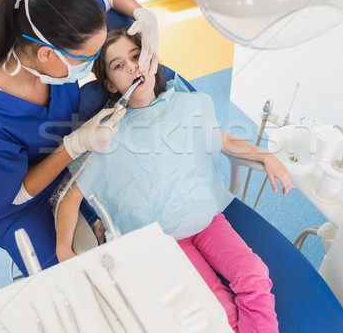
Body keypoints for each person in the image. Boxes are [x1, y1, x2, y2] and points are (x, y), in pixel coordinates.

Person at [54, 30, 292, 332]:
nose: (131, 67)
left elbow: (225, 140)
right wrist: (64, 250)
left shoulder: (184, 106)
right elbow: (70, 196)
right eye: (118, 65)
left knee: (255, 275)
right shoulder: (108, 132)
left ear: (151, 60)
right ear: (110, 85)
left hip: (205, 217)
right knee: (215, 308)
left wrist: (266, 156)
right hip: (163, 237)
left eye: (136, 56)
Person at [0, 0, 159, 276]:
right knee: (76, 280)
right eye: (87, 58)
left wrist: (144, 15)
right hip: (18, 207)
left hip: (70, 167)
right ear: (47, 54)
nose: (93, 62)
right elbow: (14, 196)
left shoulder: (61, 27)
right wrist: (75, 145)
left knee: (127, 241)